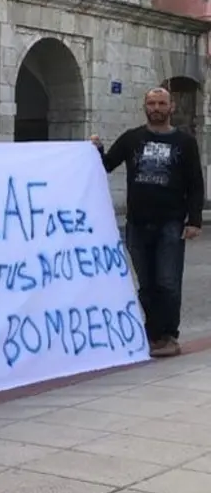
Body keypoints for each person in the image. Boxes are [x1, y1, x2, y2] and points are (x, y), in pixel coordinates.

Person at [93, 87, 204, 358]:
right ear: (145, 107)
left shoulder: (185, 142)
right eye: (151, 103)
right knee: (146, 283)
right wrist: (95, 149)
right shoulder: (132, 139)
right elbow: (106, 165)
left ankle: (168, 336)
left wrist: (195, 220)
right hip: (137, 223)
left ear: (171, 107)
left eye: (161, 103)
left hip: (171, 223)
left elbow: (195, 183)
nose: (156, 108)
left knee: (167, 282)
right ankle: (153, 334)